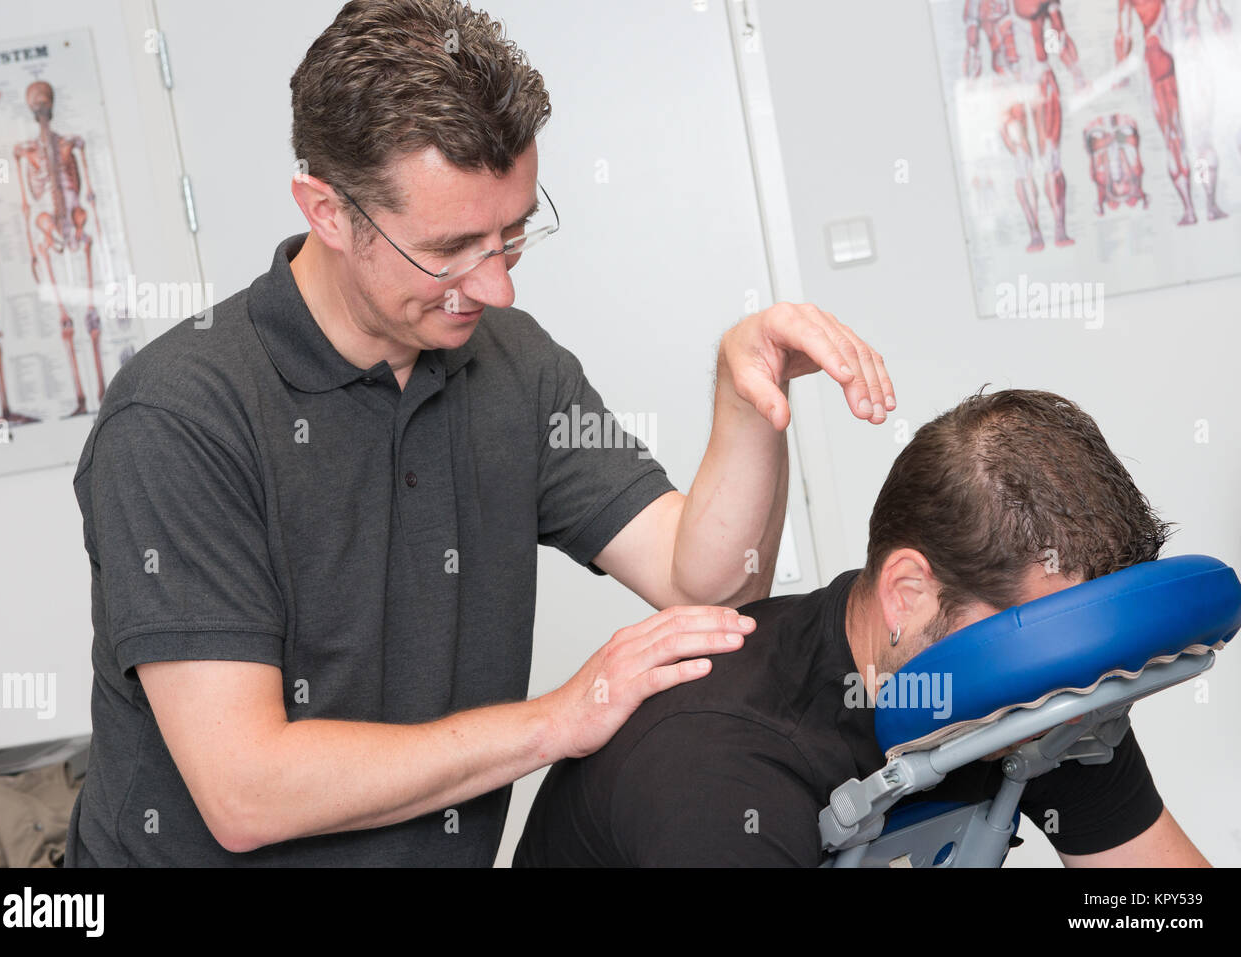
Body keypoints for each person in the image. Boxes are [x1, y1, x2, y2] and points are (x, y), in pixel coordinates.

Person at [64, 0, 893, 866]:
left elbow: (707, 585)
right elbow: (245, 790)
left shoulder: (511, 363)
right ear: (328, 210)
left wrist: (744, 400)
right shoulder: (177, 417)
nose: (495, 286)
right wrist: (558, 720)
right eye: (452, 248)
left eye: (514, 233)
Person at [513, 388, 1211, 867]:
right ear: (908, 592)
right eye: (1041, 642)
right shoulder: (721, 769)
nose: (1071, 686)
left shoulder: (1040, 694)